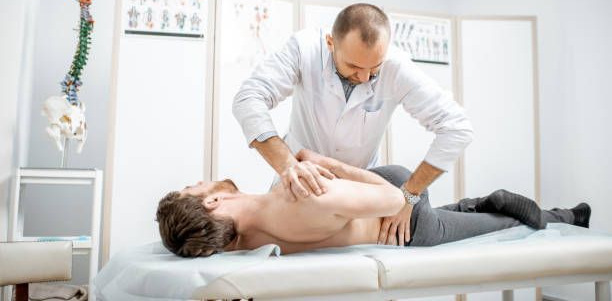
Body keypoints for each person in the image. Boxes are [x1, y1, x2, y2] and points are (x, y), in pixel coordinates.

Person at [233, 3, 474, 244]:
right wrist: (286, 164)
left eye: (374, 68)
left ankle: (494, 206)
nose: (365, 77)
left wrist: (410, 194)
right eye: (354, 67)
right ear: (330, 43)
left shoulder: (396, 67)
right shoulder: (305, 49)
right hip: (298, 185)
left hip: (359, 193)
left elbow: (457, 128)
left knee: (434, 228)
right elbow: (248, 98)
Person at [156, 150, 590, 257]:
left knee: (449, 220)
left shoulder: (240, 244)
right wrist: (327, 162)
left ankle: (565, 214)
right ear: (213, 200)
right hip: (400, 214)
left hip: (381, 208)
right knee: (506, 224)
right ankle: (510, 206)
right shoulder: (292, 202)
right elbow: (390, 197)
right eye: (194, 187)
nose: (201, 180)